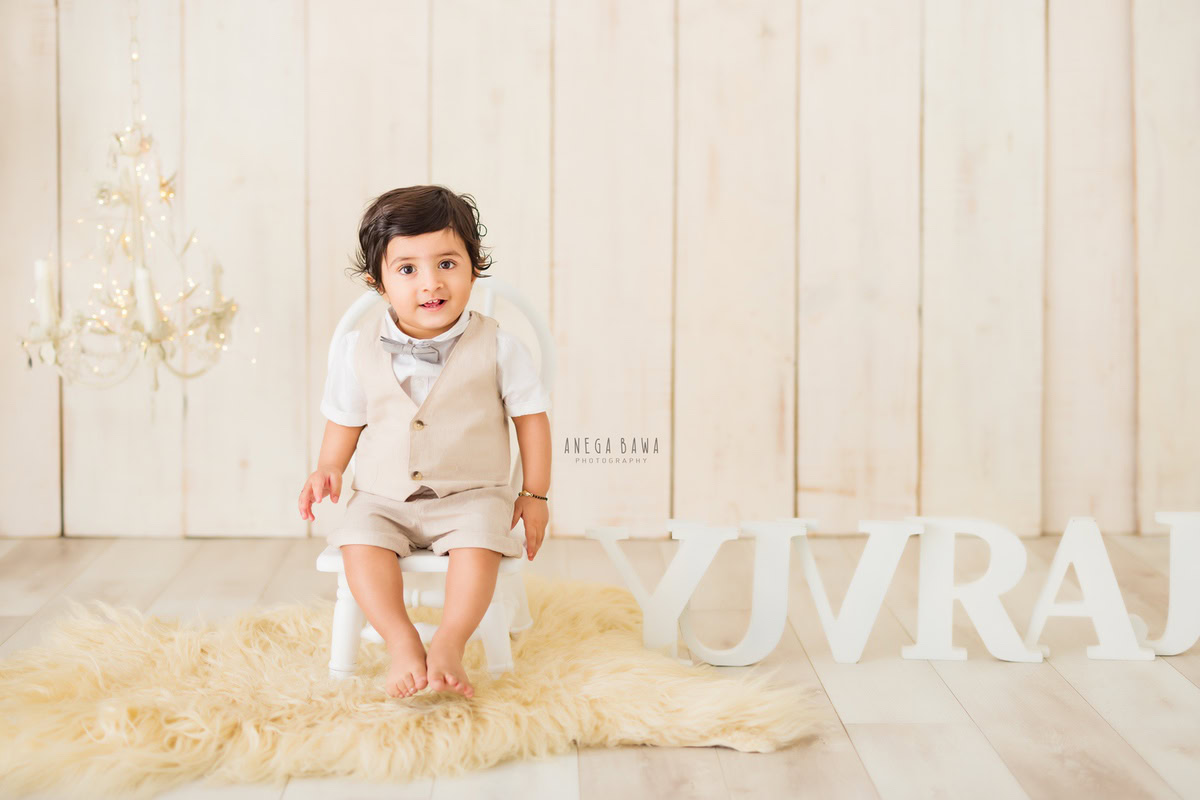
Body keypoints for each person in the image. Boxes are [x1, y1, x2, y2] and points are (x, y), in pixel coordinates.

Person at [298, 185, 551, 700]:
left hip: (470, 494)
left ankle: (451, 642)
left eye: (447, 263)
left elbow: (532, 421)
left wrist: (535, 494)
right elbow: (345, 418)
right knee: (358, 541)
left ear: (474, 267)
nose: (430, 283)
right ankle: (402, 641)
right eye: (407, 269)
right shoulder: (356, 349)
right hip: (382, 496)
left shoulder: (500, 346)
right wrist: (328, 466)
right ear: (378, 281)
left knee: (480, 541)